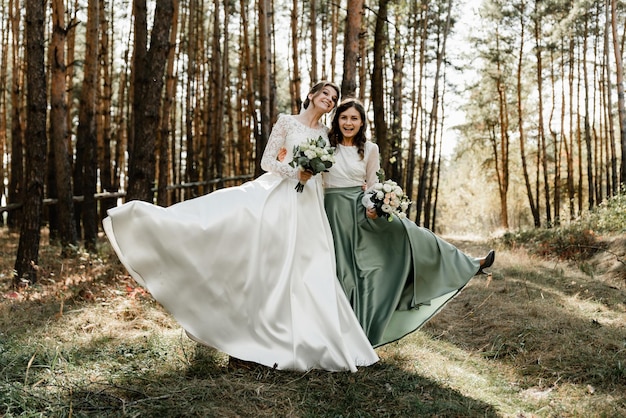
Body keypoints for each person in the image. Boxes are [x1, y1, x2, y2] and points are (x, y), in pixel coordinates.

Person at [102, 82, 379, 372]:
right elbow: (267, 161)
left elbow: (339, 166)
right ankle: (149, 221)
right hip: (280, 195)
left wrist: (357, 185)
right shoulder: (287, 121)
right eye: (325, 94)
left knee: (307, 270)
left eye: (334, 98)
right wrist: (295, 171)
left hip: (310, 205)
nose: (329, 100)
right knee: (250, 249)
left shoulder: (325, 134)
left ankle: (304, 338)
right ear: (311, 95)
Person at [321, 98, 495, 348]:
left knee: (411, 232)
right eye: (344, 117)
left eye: (354, 118)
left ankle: (468, 263)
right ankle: (346, 334)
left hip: (361, 209)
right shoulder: (326, 145)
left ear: (361, 123)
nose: (349, 123)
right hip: (332, 212)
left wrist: (373, 207)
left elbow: (371, 184)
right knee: (349, 273)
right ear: (337, 120)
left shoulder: (370, 149)